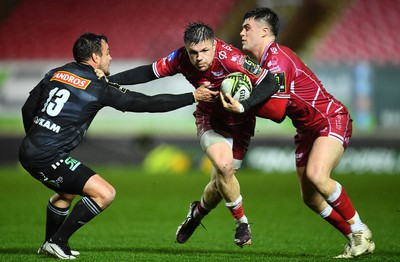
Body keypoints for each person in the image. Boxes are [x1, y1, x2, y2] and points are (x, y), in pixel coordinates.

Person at [18, 32, 216, 260]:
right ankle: (57, 241)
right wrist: (192, 97)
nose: (110, 58)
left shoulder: (56, 73)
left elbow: (27, 109)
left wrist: (36, 139)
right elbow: (147, 103)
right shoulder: (98, 86)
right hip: (47, 156)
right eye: (107, 53)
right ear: (95, 57)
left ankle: (49, 245)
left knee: (65, 194)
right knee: (105, 193)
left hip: (30, 149)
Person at [100, 22, 279, 247]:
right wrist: (110, 80)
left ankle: (196, 214)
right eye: (193, 53)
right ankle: (242, 224)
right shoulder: (180, 59)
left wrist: (245, 105)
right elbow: (149, 72)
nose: (199, 58)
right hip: (209, 120)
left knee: (220, 183)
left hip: (240, 123)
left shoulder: (232, 58)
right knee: (224, 168)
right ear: (186, 49)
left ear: (214, 45)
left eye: (204, 51)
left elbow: (270, 82)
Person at [222, 7, 375, 258]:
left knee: (317, 174)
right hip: (306, 130)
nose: (241, 32)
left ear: (264, 31)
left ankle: (360, 229)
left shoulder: (277, 59)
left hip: (329, 119)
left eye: (246, 27)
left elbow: (277, 111)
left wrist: (242, 106)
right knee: (311, 199)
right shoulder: (262, 63)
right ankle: (355, 239)